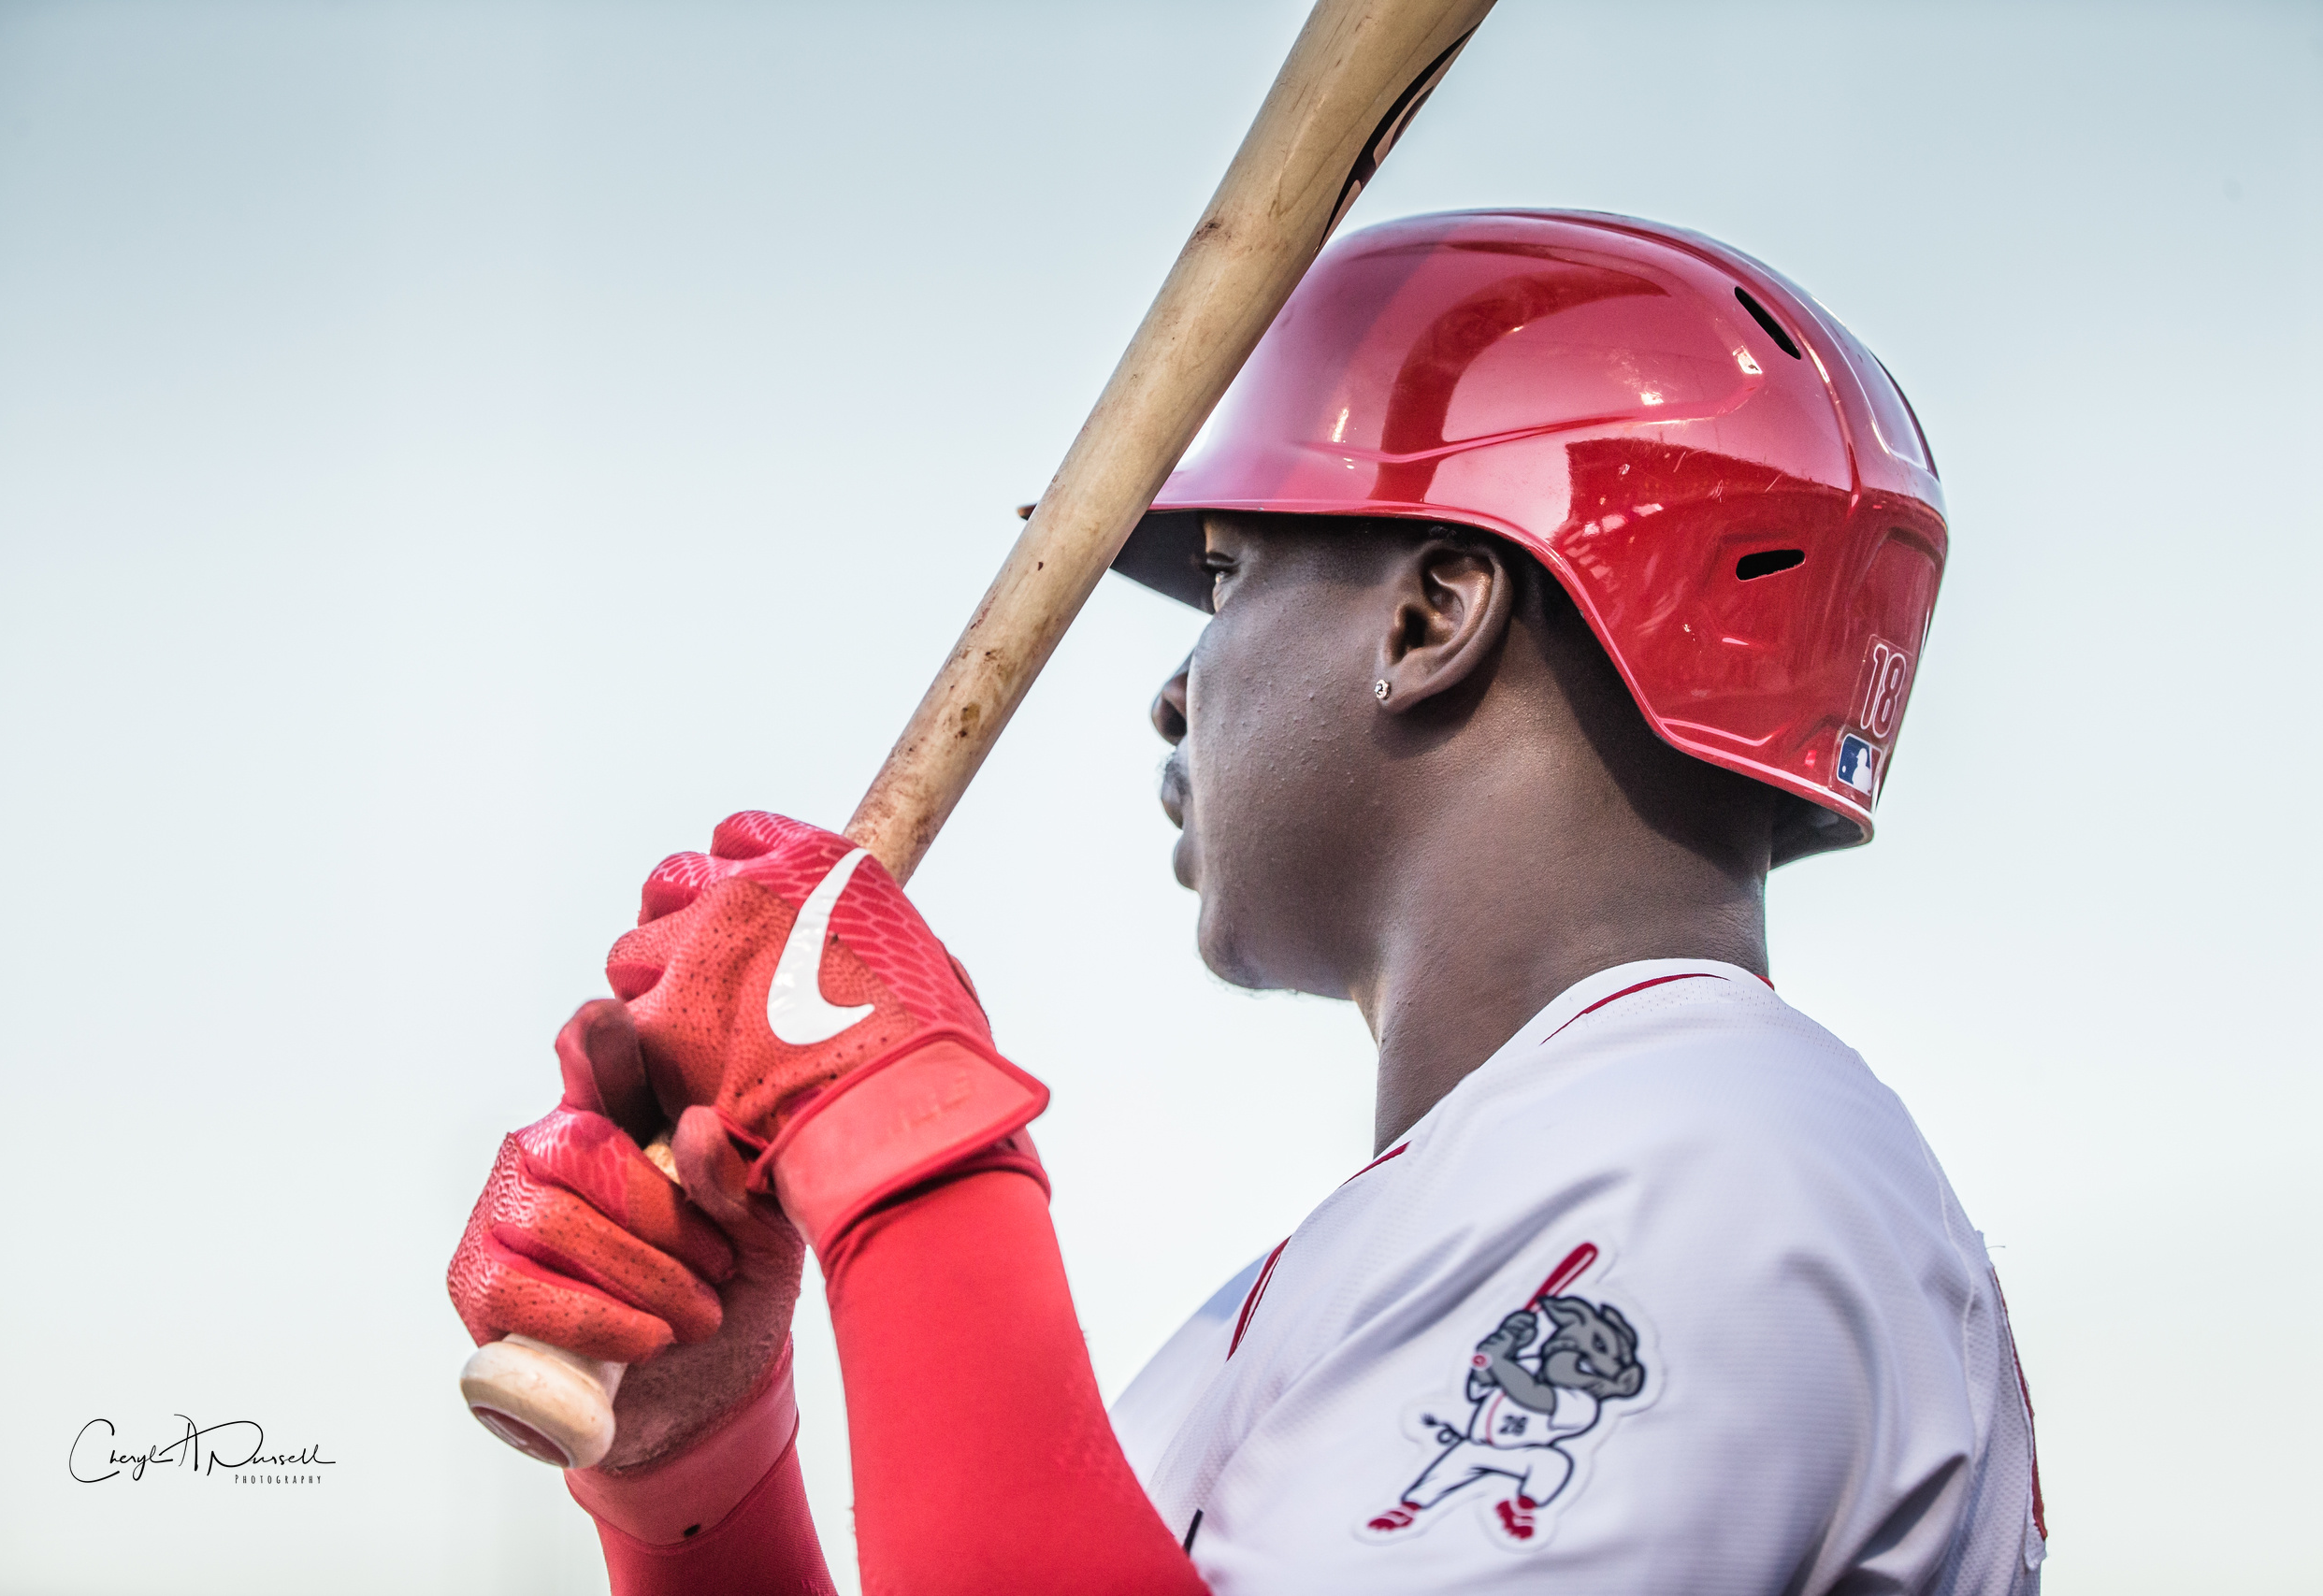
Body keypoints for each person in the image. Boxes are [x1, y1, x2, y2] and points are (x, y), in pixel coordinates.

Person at [448, 209, 2046, 1594]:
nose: (1171, 695)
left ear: (1434, 613)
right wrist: (699, 1483)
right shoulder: (1532, 1191)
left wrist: (899, 1134)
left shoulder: (1714, 1163)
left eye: (1226, 576)